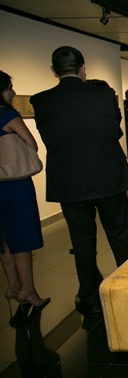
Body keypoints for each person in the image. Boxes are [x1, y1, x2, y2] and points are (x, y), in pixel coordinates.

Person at [31, 46, 128, 314]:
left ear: (54, 71)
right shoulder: (103, 95)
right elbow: (113, 132)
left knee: (82, 242)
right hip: (108, 177)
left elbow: (50, 137)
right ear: (83, 68)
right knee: (121, 236)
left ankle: (89, 297)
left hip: (69, 181)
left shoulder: (41, 101)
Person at [0, 71, 50, 311]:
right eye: (9, 87)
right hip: (15, 184)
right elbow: (32, 143)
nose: (12, 92)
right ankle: (27, 290)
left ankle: (12, 286)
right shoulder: (8, 114)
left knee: (4, 238)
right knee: (21, 236)